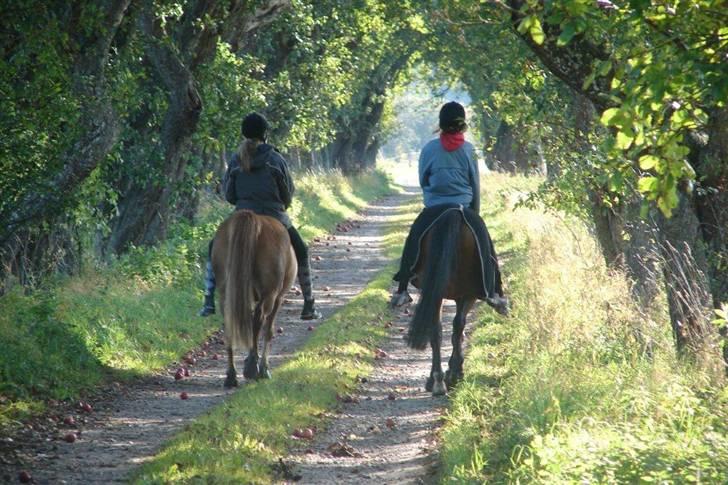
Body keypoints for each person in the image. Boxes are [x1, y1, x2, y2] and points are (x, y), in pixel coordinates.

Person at [199, 112, 322, 320]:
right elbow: (287, 194)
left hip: (242, 215)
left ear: (244, 133)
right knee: (301, 249)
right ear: (265, 134)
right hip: (275, 214)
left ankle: (209, 298)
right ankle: (308, 302)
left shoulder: (236, 160)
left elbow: (229, 195)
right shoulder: (275, 159)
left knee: (213, 246)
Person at [389, 101, 509, 315]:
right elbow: (475, 185)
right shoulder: (469, 150)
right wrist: (475, 216)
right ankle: (494, 292)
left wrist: (434, 195)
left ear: (441, 123)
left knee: (414, 238)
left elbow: (423, 180)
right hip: (463, 208)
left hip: (435, 207)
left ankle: (401, 290)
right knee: (486, 246)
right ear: (463, 124)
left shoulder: (429, 148)